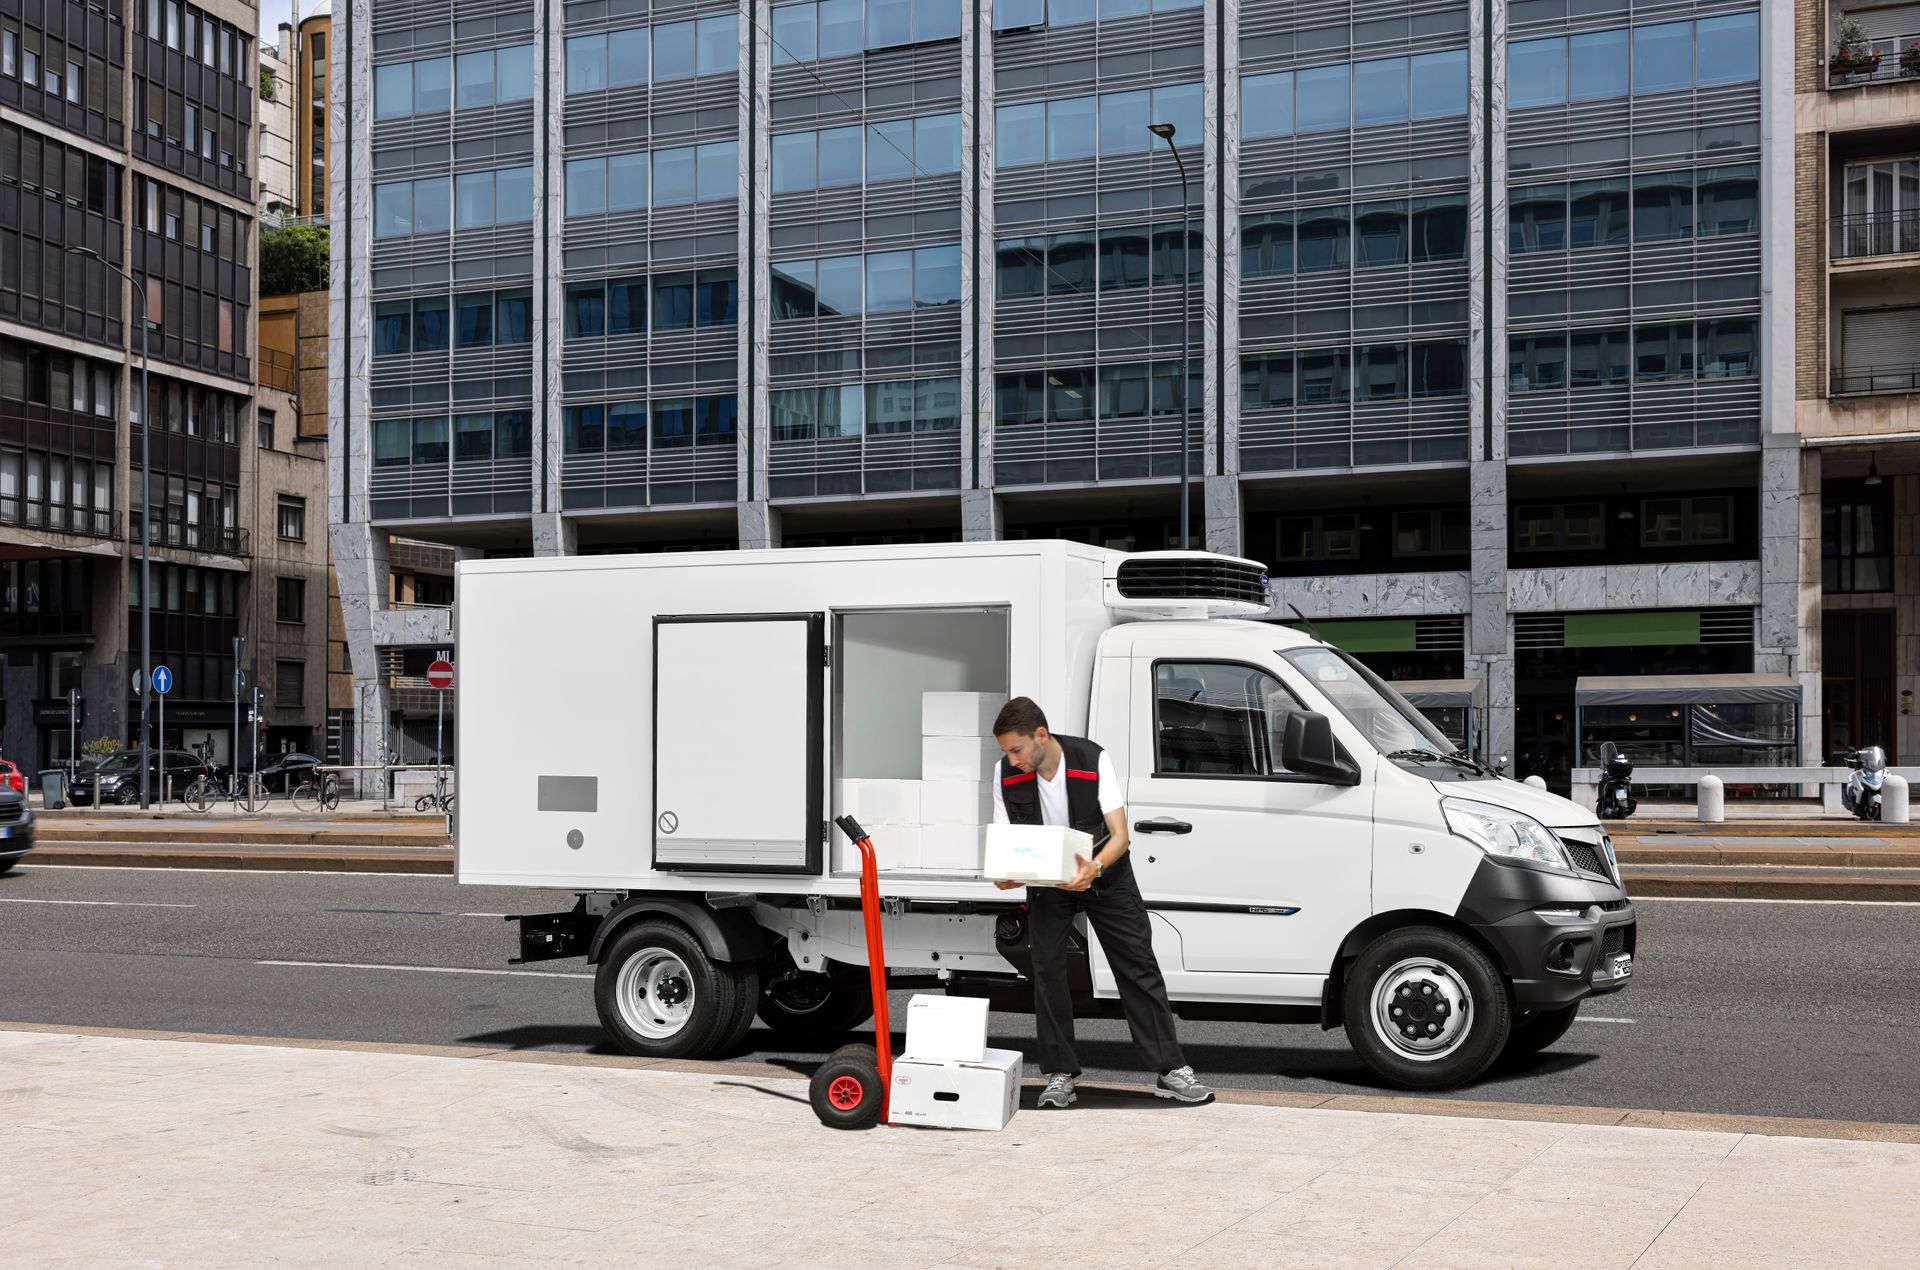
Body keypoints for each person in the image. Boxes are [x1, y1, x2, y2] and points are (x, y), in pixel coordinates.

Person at [989, 697, 1215, 1109]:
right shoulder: (1005, 773)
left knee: (1137, 965)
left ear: (1041, 735)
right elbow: (1009, 842)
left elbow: (1120, 834)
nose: (1012, 759)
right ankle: (1060, 1075)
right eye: (1006, 752)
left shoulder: (1092, 759)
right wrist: (1008, 873)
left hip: (1105, 872)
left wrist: (1092, 868)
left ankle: (1170, 1070)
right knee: (1048, 969)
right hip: (1049, 880)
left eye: (1016, 749)